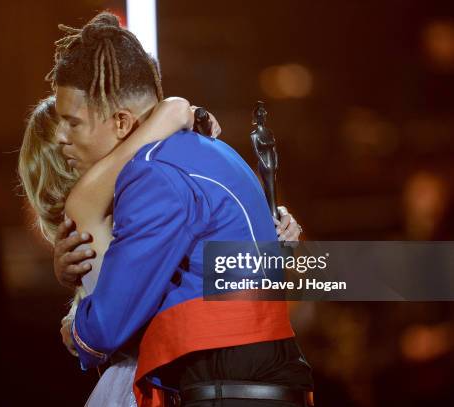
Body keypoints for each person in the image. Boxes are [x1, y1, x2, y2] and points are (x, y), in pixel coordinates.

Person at [36, 11, 311, 406]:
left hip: (229, 392)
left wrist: (75, 329)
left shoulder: (154, 176)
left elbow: (107, 328)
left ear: (121, 123)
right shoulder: (211, 150)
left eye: (73, 123)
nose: (60, 137)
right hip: (256, 384)